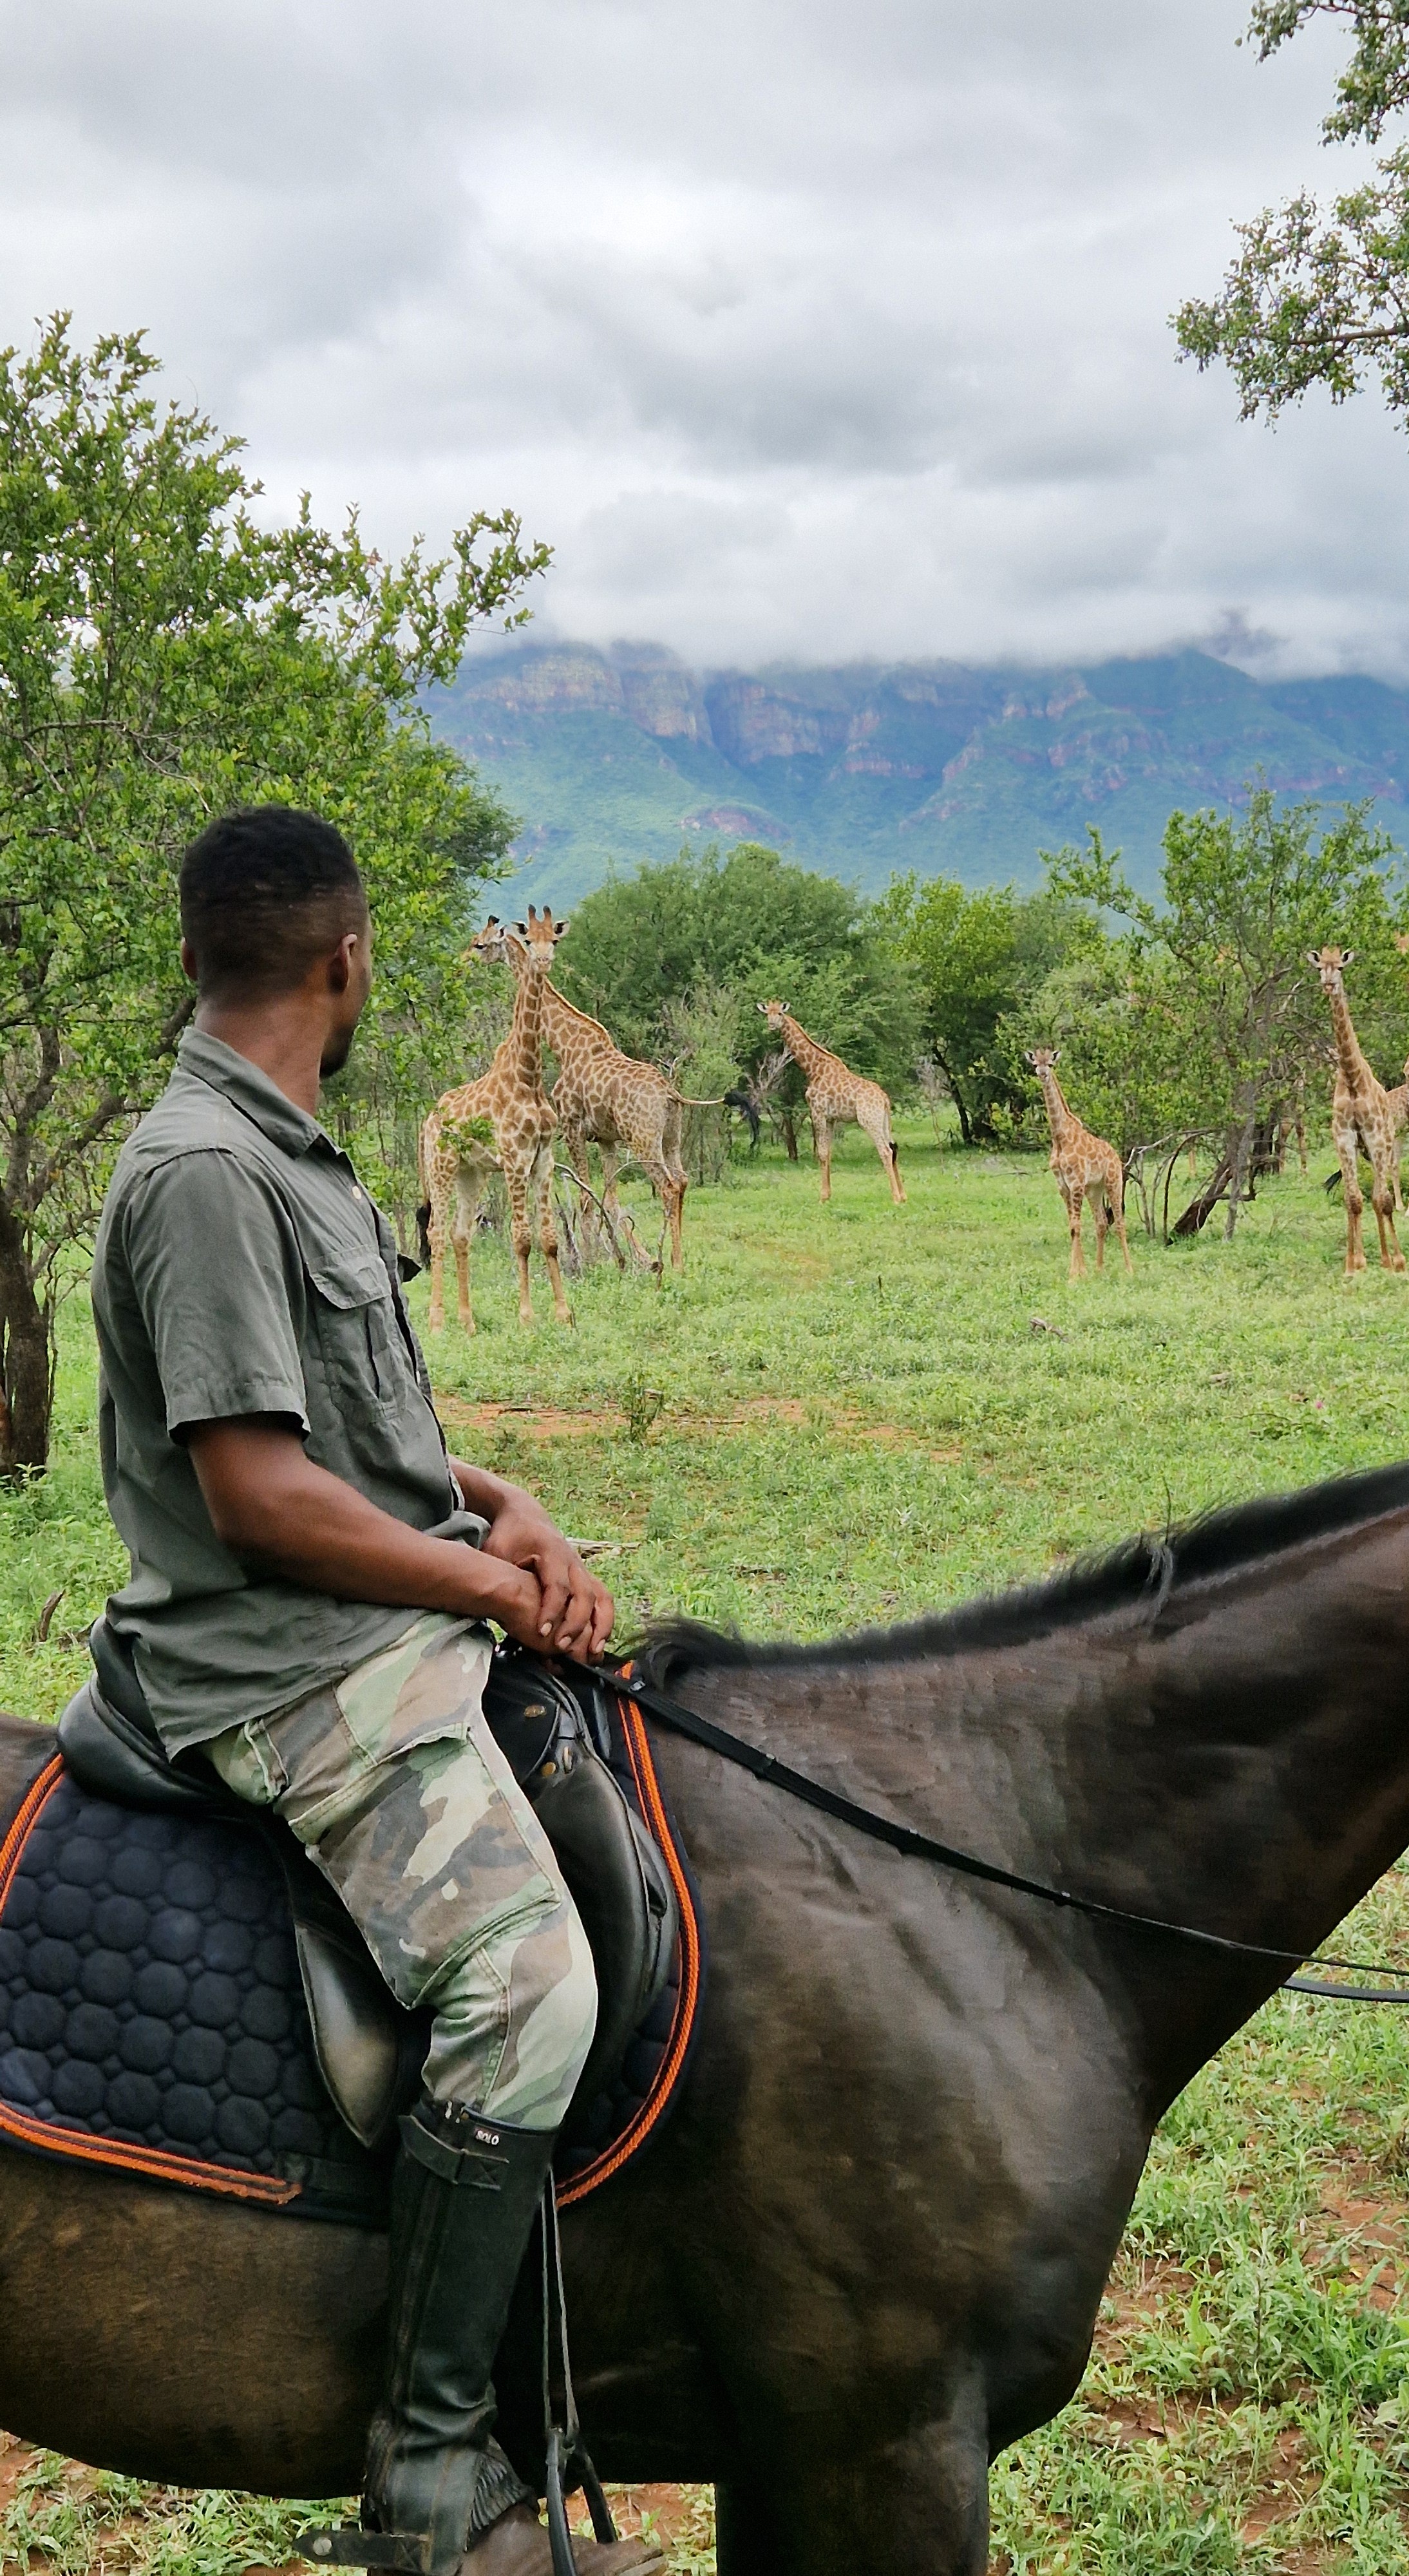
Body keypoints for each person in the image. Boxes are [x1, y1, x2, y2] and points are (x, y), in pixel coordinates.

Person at [89, 806, 651, 2576]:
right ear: (349, 966)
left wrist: (501, 1503)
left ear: (198, 954)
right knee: (527, 1981)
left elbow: (353, 1444)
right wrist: (489, 1585)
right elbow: (258, 1494)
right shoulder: (204, 1177)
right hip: (284, 1665)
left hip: (382, 1614)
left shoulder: (287, 1157)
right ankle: (427, 2477)